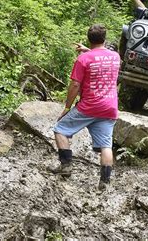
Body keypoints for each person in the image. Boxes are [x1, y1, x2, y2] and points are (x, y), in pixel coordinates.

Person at [51, 24, 121, 191]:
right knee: (105, 146)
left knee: (60, 129)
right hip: (110, 107)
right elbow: (100, 58)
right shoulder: (116, 57)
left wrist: (67, 107)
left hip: (89, 106)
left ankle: (66, 167)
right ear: (104, 38)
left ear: (89, 39)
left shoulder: (83, 59)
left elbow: (75, 85)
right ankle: (104, 182)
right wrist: (87, 51)